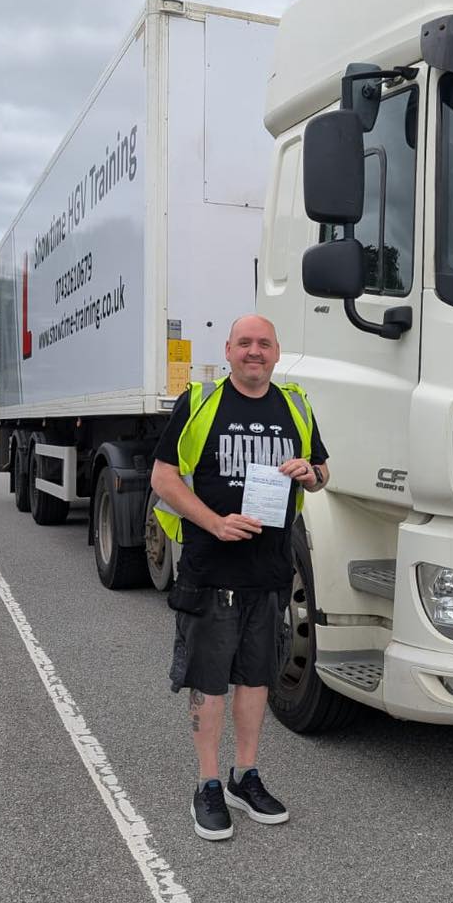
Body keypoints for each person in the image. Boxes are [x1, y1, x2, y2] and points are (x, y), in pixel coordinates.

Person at [150, 314, 329, 841]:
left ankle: (243, 776)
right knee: (209, 682)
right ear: (227, 350)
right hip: (211, 571)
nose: (255, 352)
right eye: (245, 343)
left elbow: (322, 473)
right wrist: (213, 522)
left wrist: (310, 473)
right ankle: (207, 784)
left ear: (277, 353)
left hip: (270, 573)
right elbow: (163, 477)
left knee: (256, 679)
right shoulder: (202, 403)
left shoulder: (295, 404)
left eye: (264, 344)